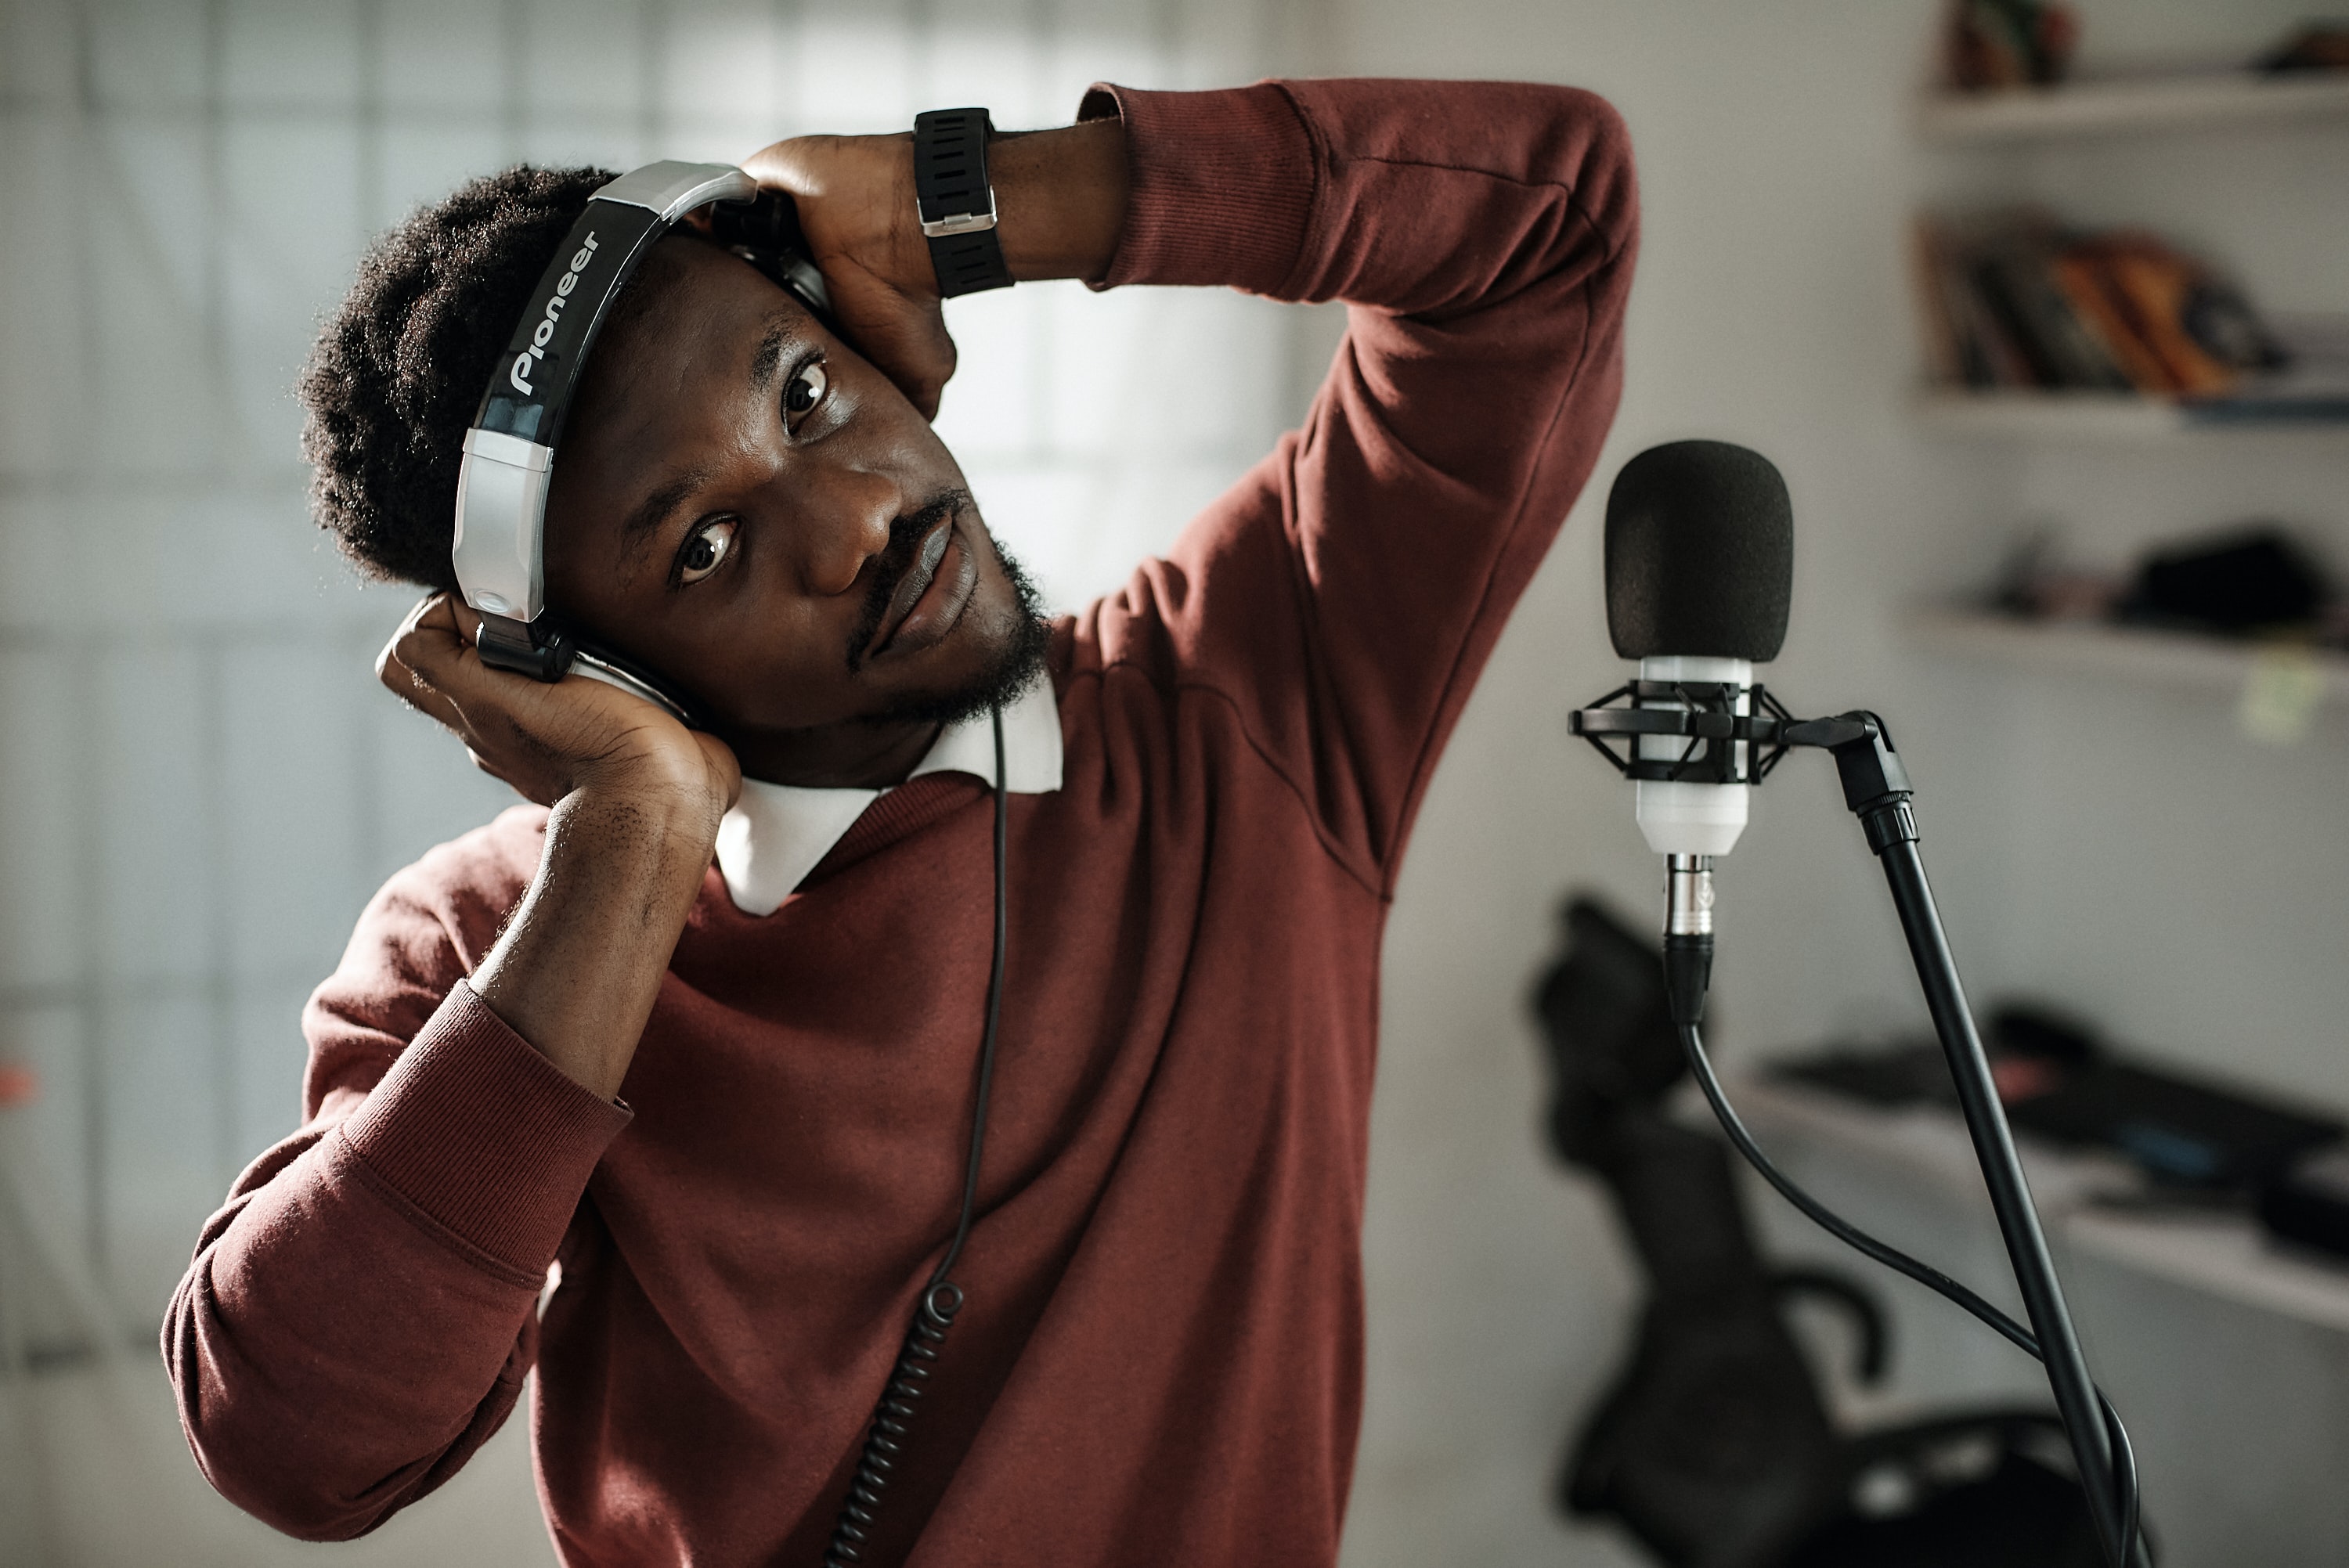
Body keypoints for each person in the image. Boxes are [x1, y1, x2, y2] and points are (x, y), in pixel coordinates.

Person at [164, 77, 1636, 1566]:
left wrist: (969, 199)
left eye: (803, 392)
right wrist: (635, 840)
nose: (857, 520)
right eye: (708, 546)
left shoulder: (1250, 702)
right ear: (584, 669)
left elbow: (1550, 224)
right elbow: (292, 1445)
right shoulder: (494, 944)